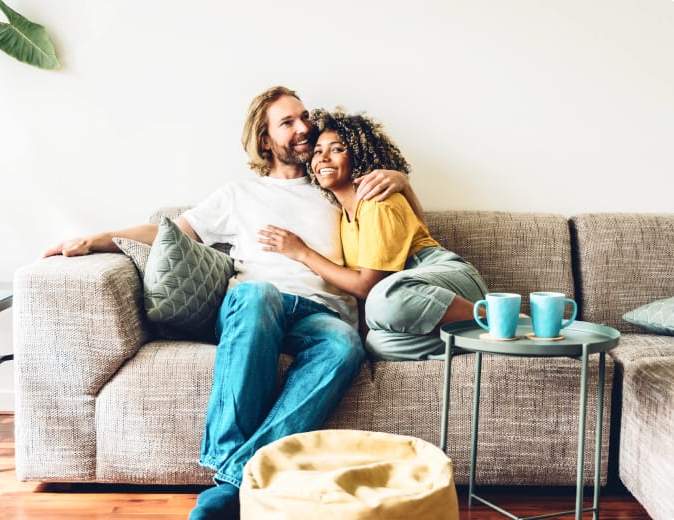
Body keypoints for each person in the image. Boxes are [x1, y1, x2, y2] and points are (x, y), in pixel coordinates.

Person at [43, 87, 420, 520]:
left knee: (343, 347)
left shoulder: (335, 186)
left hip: (321, 314)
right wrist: (94, 239)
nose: (304, 129)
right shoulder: (239, 194)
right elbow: (170, 232)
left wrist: (404, 183)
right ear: (265, 140)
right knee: (257, 293)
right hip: (254, 306)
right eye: (288, 123)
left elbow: (404, 226)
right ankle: (235, 476)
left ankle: (233, 478)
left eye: (304, 118)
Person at [262, 108, 488, 361]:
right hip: (411, 299)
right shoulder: (343, 216)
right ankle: (482, 338)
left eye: (337, 149)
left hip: (447, 281)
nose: (323, 157)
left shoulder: (376, 201)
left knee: (382, 298)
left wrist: (303, 253)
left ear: (358, 156)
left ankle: (500, 319)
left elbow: (368, 286)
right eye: (317, 151)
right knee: (377, 344)